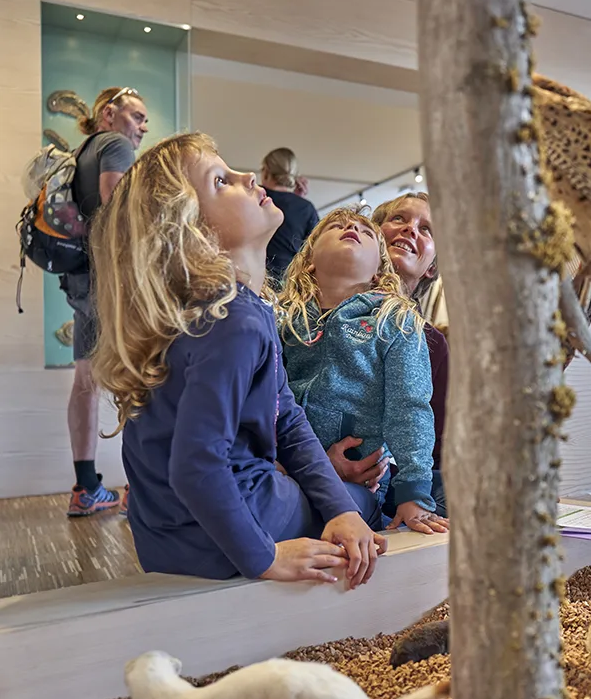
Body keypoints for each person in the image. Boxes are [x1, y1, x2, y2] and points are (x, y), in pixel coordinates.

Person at [89, 133, 386, 588]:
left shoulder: (209, 312)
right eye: (221, 180)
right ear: (190, 232)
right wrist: (266, 557)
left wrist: (337, 509)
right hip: (229, 531)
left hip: (165, 538)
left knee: (342, 503)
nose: (248, 176)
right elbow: (196, 466)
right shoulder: (234, 319)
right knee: (368, 503)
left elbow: (286, 419)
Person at [278, 207, 449, 535]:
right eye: (336, 226)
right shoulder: (284, 319)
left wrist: (413, 493)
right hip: (287, 467)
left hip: (360, 482)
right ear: (310, 260)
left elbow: (409, 408)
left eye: (366, 232)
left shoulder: (395, 321)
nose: (351, 228)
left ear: (378, 273)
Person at [326, 193, 449, 518]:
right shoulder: (317, 317)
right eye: (398, 218)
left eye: (426, 229)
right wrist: (317, 463)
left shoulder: (431, 342)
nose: (411, 229)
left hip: (389, 483)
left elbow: (434, 443)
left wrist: (395, 479)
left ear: (431, 266)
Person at [64, 86, 149, 517]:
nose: (143, 126)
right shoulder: (115, 144)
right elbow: (118, 212)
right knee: (142, 378)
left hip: (81, 282)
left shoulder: (82, 152)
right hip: (112, 282)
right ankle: (143, 489)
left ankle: (86, 488)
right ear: (110, 114)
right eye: (137, 116)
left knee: (86, 380)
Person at [260, 147, 319, 283]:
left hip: (252, 276)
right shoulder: (306, 208)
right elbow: (313, 251)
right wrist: (297, 200)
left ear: (266, 171)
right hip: (287, 282)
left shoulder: (254, 197)